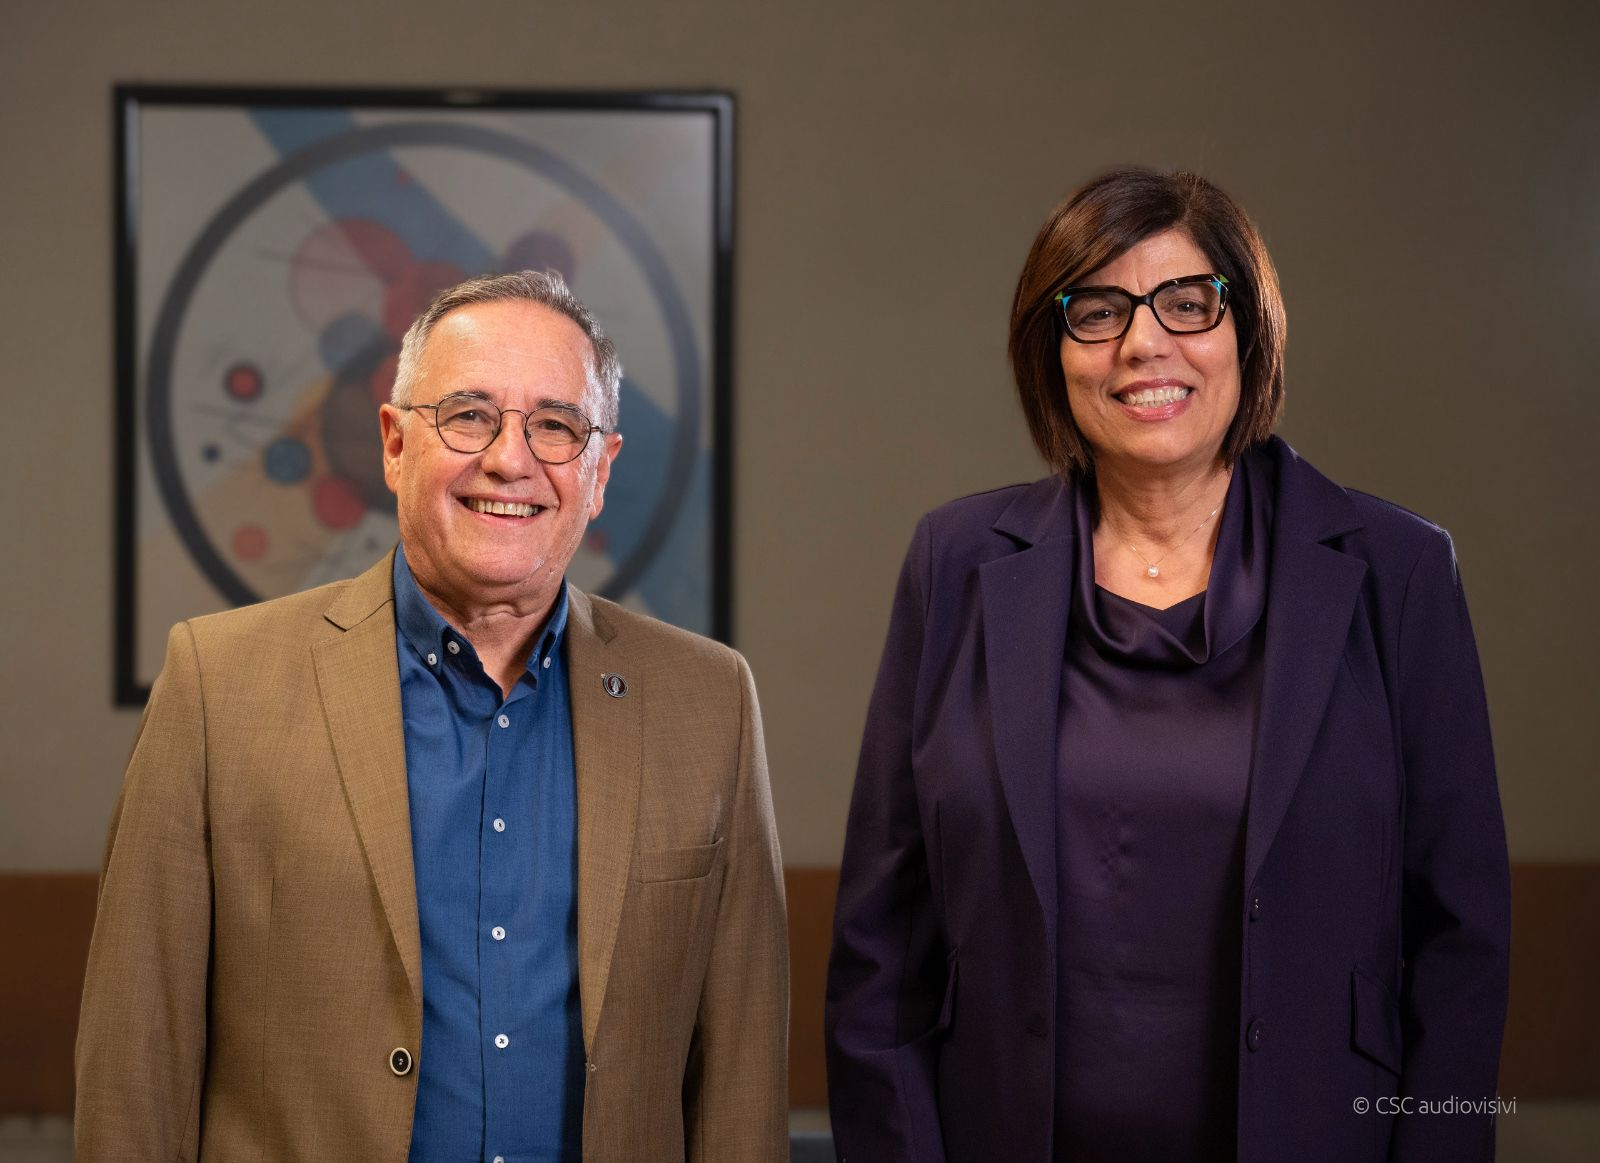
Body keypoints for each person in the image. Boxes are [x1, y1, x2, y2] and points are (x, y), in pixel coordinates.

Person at [824, 168, 1509, 1162]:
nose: (1145, 342)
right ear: (1050, 352)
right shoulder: (957, 563)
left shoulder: (1394, 571)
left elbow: (1461, 942)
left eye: (1188, 303)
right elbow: (880, 939)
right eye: (1096, 310)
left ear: (1248, 331)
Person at [76, 271, 788, 1162]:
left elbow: (742, 1081)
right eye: (469, 415)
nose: (509, 460)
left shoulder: (708, 700)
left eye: (555, 426)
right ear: (393, 442)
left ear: (599, 471)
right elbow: (136, 1061)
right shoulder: (218, 685)